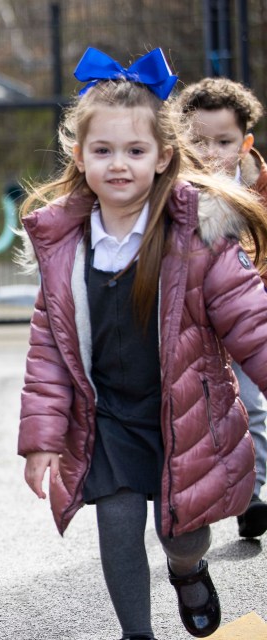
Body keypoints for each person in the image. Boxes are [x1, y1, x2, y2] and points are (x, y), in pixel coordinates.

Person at [17, 47, 267, 640]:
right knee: (118, 525)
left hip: (185, 412)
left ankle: (189, 571)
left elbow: (251, 324)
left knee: (182, 532)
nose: (119, 164)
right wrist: (40, 439)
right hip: (109, 419)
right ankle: (137, 634)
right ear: (80, 157)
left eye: (135, 151)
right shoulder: (65, 246)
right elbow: (48, 352)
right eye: (102, 151)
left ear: (163, 158)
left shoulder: (199, 236)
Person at [174, 76, 267, 539]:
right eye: (198, 141)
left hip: (249, 315)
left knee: (252, 403)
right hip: (197, 324)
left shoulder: (259, 191)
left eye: (224, 141)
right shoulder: (175, 192)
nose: (211, 152)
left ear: (245, 143)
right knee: (205, 412)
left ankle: (253, 494)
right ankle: (206, 494)